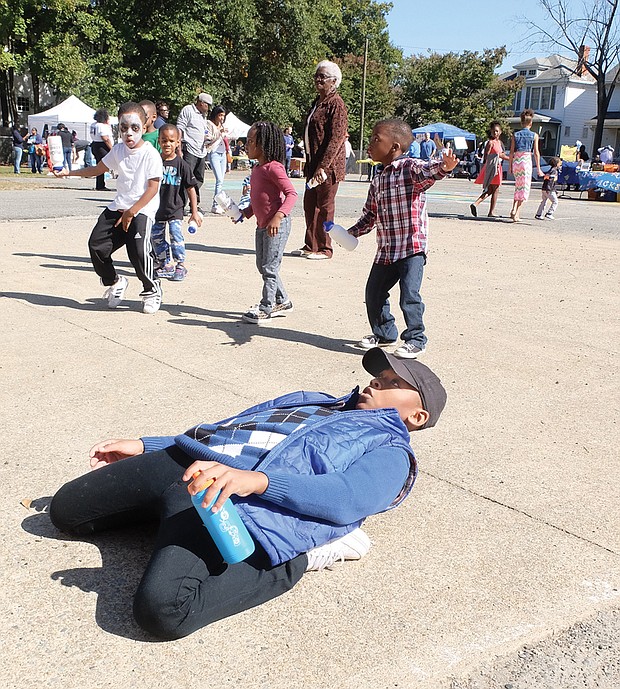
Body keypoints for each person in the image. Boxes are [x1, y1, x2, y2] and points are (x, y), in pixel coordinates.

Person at [49, 347, 447, 640]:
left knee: (163, 612)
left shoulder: (391, 452)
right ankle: (161, 524)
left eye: (395, 383)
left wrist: (258, 482)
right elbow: (228, 428)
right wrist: (149, 445)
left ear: (417, 416)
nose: (379, 381)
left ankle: (308, 555)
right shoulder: (310, 399)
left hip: (236, 504)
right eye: (380, 375)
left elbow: (347, 497)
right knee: (65, 512)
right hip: (187, 463)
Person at [346, 119, 458, 359]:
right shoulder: (377, 180)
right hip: (386, 250)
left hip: (411, 248)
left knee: (409, 295)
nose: (370, 144)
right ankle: (385, 333)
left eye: (376, 139)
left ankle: (416, 339)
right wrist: (350, 232)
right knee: (373, 293)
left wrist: (445, 167)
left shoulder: (409, 168)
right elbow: (370, 216)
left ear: (395, 146)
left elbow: (430, 170)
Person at [53, 101, 164, 315]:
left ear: (144, 125)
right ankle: (115, 281)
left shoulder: (151, 154)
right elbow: (96, 170)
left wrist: (132, 212)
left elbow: (152, 188)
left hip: (142, 209)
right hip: (119, 207)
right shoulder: (119, 151)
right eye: (124, 128)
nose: (129, 133)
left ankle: (152, 289)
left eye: (134, 128)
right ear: (118, 128)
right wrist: (68, 172)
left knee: (138, 252)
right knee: (96, 245)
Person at [238, 122, 297, 323]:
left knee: (270, 267)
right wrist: (245, 213)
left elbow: (291, 194)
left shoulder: (274, 168)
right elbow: (259, 198)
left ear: (264, 144)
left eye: (252, 141)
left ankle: (266, 307)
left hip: (277, 225)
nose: (247, 145)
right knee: (262, 265)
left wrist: (278, 216)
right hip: (262, 225)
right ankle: (283, 300)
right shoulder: (257, 168)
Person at [293, 60, 348, 260]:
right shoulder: (317, 103)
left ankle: (325, 248)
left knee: (325, 207)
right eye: (316, 75)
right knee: (309, 204)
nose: (318, 79)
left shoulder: (336, 104)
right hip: (312, 163)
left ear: (334, 81)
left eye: (322, 76)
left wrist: (324, 165)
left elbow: (337, 137)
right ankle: (311, 245)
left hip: (328, 167)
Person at [152, 124, 202, 282]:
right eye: (164, 140)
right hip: (156, 210)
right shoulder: (154, 162)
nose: (167, 144)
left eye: (171, 141)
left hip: (175, 209)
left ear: (178, 142)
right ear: (159, 141)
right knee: (155, 237)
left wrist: (194, 212)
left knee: (176, 235)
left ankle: (180, 264)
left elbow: (191, 189)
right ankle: (163, 263)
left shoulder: (182, 165)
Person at [177, 93, 212, 211]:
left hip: (201, 150)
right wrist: (179, 148)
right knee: (186, 178)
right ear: (201, 102)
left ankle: (194, 205)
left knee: (199, 179)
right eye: (208, 105)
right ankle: (180, 205)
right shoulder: (188, 110)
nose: (208, 108)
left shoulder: (203, 116)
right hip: (189, 149)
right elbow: (180, 128)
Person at [469, 121, 510, 218]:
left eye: (497, 131)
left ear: (500, 132)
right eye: (493, 131)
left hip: (497, 166)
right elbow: (486, 156)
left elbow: (502, 154)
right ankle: (489, 210)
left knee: (492, 189)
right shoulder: (490, 143)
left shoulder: (499, 143)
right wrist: (486, 168)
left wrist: (511, 158)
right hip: (492, 167)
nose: (495, 133)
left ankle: (477, 204)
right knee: (494, 189)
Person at [509, 108, 542, 222]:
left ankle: (513, 209)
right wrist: (538, 168)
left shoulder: (516, 135)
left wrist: (509, 166)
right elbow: (536, 153)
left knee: (518, 187)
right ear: (531, 123)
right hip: (526, 160)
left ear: (521, 122)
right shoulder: (534, 135)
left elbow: (512, 152)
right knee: (524, 189)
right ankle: (516, 212)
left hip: (517, 161)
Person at [204, 105, 228, 214]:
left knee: (222, 180)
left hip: (223, 153)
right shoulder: (209, 124)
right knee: (219, 179)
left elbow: (226, 140)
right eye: (220, 115)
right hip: (214, 153)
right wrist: (219, 132)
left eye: (223, 115)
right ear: (216, 115)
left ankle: (219, 204)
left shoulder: (223, 125)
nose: (222, 118)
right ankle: (215, 205)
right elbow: (208, 139)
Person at [90, 108, 114, 191]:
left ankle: (100, 184)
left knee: (100, 165)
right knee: (106, 164)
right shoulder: (101, 126)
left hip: (95, 144)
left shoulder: (94, 124)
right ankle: (100, 185)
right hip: (102, 146)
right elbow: (105, 138)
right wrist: (112, 148)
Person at [535, 156, 561, 221]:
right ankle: (549, 213)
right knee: (555, 201)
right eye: (560, 162)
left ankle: (539, 214)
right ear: (556, 164)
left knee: (544, 201)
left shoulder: (549, 170)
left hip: (544, 188)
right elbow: (550, 181)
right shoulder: (554, 171)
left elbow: (546, 179)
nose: (560, 164)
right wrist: (549, 189)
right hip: (549, 189)